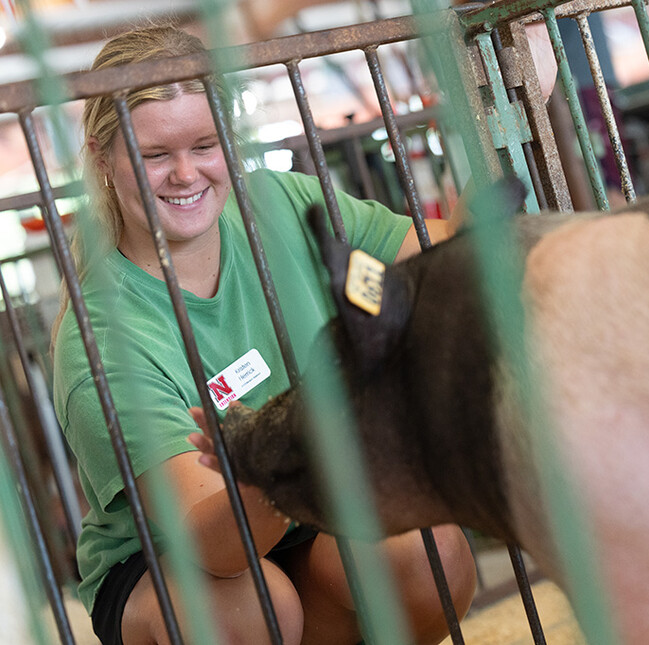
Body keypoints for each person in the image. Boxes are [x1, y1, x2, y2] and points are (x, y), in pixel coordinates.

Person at [51, 25, 476, 645]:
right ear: (101, 157)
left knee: (424, 549)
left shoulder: (280, 202)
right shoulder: (100, 340)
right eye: (153, 155)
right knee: (250, 612)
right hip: (183, 564)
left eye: (204, 144)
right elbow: (216, 546)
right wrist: (298, 438)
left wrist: (500, 132)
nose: (184, 173)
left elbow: (449, 267)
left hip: (309, 513)